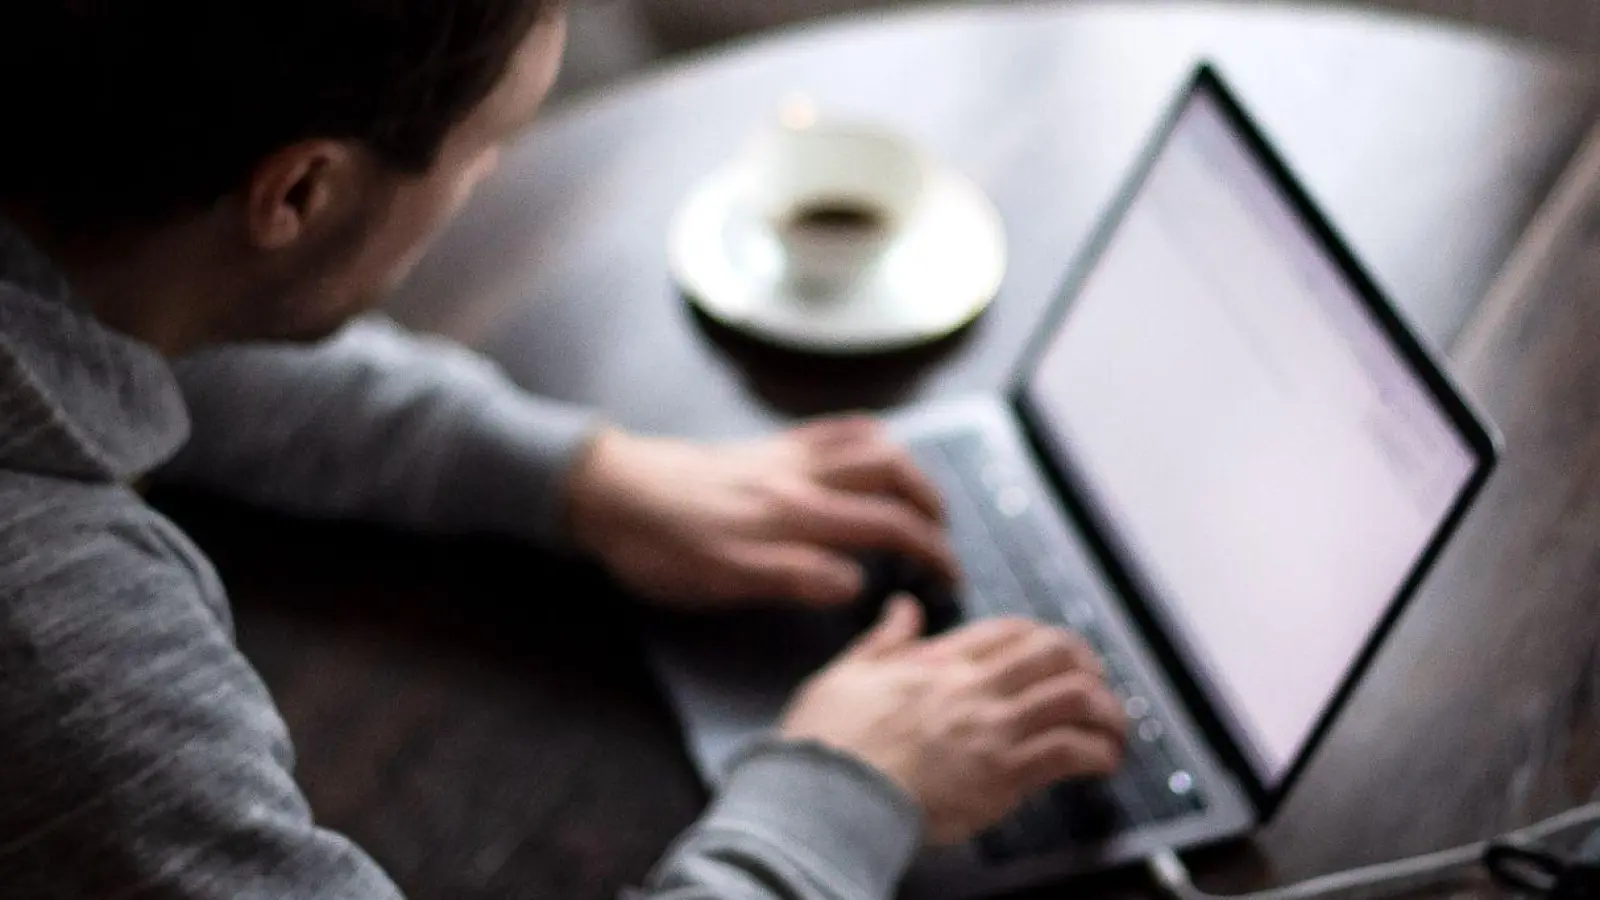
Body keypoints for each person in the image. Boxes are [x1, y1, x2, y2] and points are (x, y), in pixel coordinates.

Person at [0, 2, 1127, 898]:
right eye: (488, 150)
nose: (486, 175)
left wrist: (579, 478)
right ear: (299, 190)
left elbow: (153, 321)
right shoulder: (68, 667)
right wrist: (843, 795)